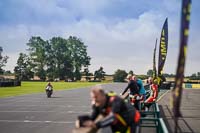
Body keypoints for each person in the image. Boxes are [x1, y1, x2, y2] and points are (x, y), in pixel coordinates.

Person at [76, 86, 140, 133]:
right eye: (92, 98)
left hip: (132, 121)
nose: (94, 100)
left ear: (103, 95)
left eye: (96, 97)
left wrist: (97, 125)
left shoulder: (115, 100)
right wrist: (81, 120)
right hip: (119, 124)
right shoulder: (98, 104)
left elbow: (113, 117)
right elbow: (92, 118)